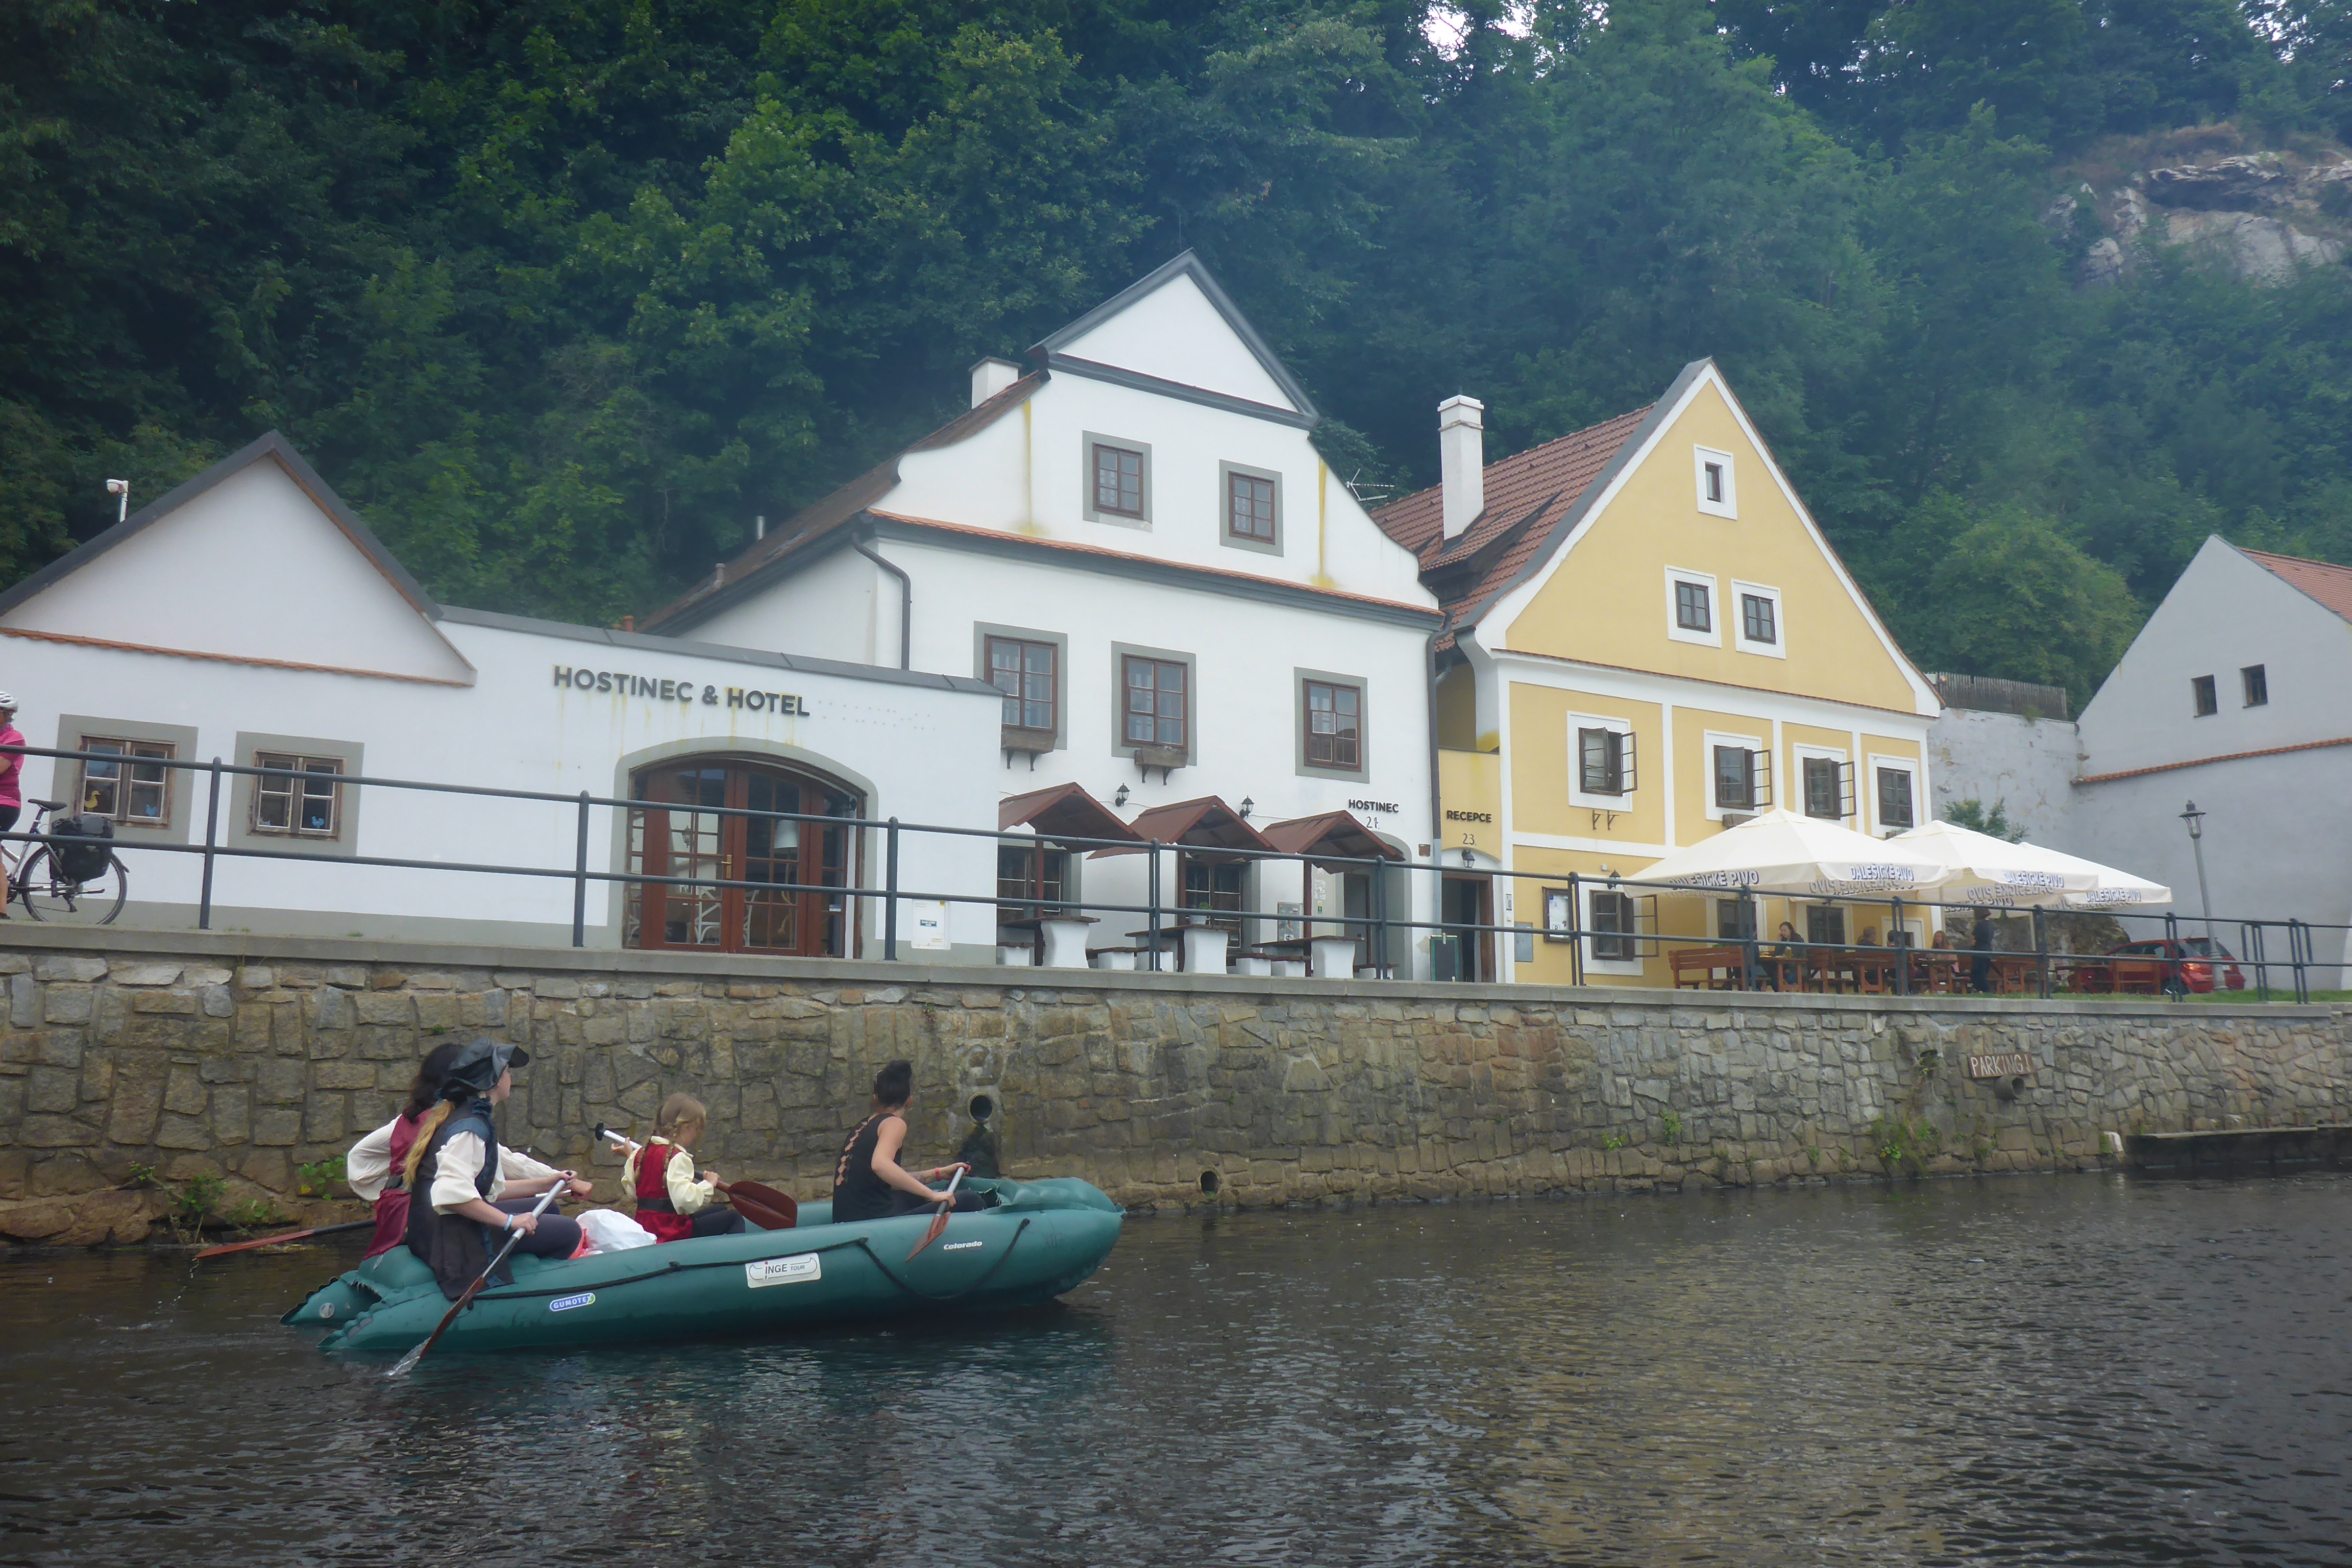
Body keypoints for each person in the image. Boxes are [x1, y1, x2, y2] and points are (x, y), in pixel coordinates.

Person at [402, 1038, 594, 1299]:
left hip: (439, 1226)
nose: (511, 1078)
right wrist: (510, 1222)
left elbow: (489, 1190)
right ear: (494, 1082)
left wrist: (549, 1183)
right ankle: (532, 1294)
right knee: (569, 1231)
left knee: (549, 1207)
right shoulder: (471, 1128)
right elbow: (451, 1195)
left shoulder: (468, 1115)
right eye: (508, 1072)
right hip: (448, 1237)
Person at [346, 1039, 465, 1258]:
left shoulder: (407, 1119)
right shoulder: (457, 1124)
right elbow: (505, 1164)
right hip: (424, 1217)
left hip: (398, 1210)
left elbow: (358, 1158)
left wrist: (390, 1190)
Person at [831, 1060, 984, 1224]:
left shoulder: (863, 1125)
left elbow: (889, 1179)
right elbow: (880, 1165)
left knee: (914, 1196)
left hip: (850, 1217)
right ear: (910, 1101)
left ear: (876, 1099)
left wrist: (938, 1174)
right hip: (871, 1222)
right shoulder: (894, 1123)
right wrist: (933, 1195)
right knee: (971, 1200)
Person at [624, 1093, 747, 1242]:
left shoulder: (640, 1154)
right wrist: (709, 1184)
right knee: (734, 1217)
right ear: (686, 1128)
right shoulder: (678, 1158)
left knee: (720, 1209)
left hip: (647, 1227)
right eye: (696, 1129)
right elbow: (686, 1201)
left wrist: (630, 1157)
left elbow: (633, 1193)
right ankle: (737, 1256)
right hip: (668, 1232)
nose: (696, 1135)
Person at [1970, 910, 1997, 994]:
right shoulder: (1991, 924)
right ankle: (1984, 991)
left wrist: (1973, 941)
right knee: (1984, 972)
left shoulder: (1980, 924)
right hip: (1988, 951)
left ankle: (1985, 990)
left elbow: (1973, 938)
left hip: (1979, 951)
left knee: (1977, 973)